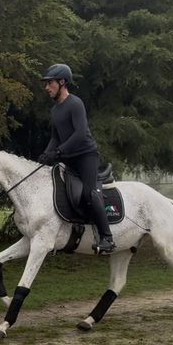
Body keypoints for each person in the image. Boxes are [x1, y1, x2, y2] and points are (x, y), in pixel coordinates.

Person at [36, 63, 116, 254]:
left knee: (89, 194)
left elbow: (80, 134)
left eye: (50, 83)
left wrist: (58, 152)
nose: (46, 88)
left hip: (86, 156)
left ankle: (107, 238)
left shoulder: (75, 103)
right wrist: (46, 156)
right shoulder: (55, 110)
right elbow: (55, 138)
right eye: (46, 84)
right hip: (69, 159)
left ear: (62, 82)